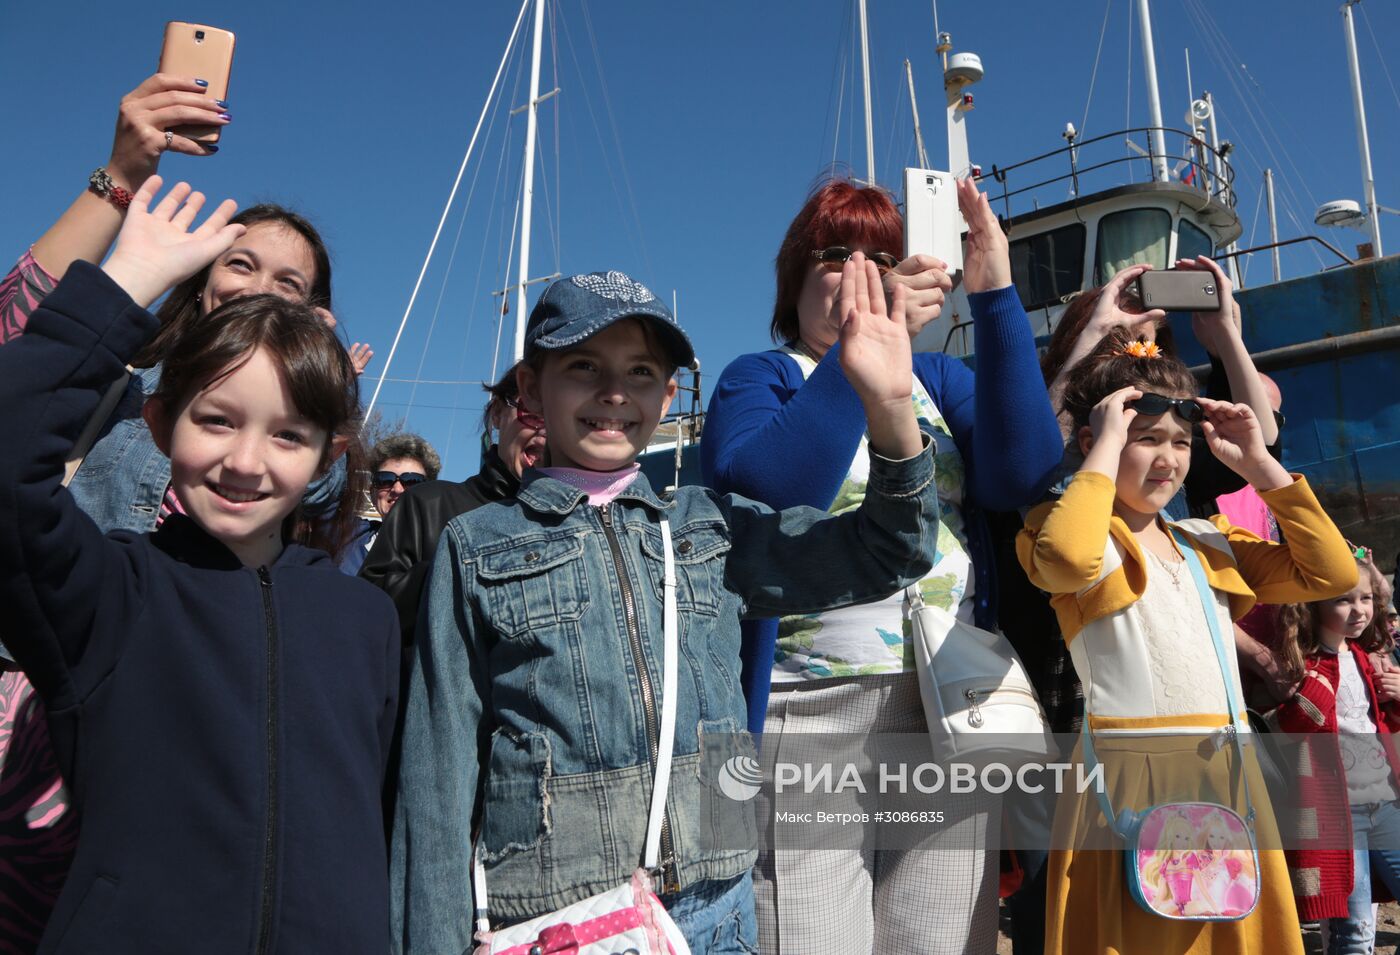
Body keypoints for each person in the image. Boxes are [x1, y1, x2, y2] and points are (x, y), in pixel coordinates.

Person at [391, 262, 939, 954]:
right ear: (531, 387)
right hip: (560, 921)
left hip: (724, 907)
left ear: (670, 391)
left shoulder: (710, 526)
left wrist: (889, 406)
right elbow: (435, 786)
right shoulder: (476, 545)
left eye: (642, 372)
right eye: (584, 365)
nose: (615, 392)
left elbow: (892, 549)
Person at [0, 73, 367, 951]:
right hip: (41, 782)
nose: (262, 288)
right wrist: (123, 214)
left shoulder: (342, 592)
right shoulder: (111, 397)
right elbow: (17, 346)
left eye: (292, 283)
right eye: (241, 261)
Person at [701, 175, 1060, 954]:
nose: (863, 270)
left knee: (941, 939)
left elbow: (1025, 468)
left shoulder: (937, 379)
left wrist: (995, 291)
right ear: (793, 282)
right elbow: (770, 489)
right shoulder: (761, 377)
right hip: (806, 711)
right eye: (836, 255)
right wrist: (853, 363)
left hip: (946, 706)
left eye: (883, 255)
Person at [1017, 329, 1357, 954]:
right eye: (1146, 440)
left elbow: (1330, 574)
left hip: (1228, 776)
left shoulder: (1210, 539)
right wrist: (1104, 446)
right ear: (1099, 440)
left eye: (1179, 442)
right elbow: (1065, 559)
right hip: (1127, 783)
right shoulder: (1069, 533)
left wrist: (1260, 464)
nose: (1169, 459)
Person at [1273, 547, 1400, 953]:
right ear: (1311, 608)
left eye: (1365, 598)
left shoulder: (1369, 657)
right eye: (1343, 600)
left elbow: (1386, 725)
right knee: (1355, 932)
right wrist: (1310, 688)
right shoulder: (1300, 666)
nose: (1358, 609)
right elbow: (1291, 729)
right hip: (1337, 816)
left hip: (1387, 804)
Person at [361, 366, 544, 645]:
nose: (547, 430)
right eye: (532, 412)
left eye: (562, 417)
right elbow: (370, 611)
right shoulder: (427, 504)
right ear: (497, 413)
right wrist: (461, 567)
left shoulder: (581, 521)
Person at [339, 433, 442, 575]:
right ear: (372, 491)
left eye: (412, 481)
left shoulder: (445, 554)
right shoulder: (345, 535)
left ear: (430, 493)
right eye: (385, 479)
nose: (397, 489)